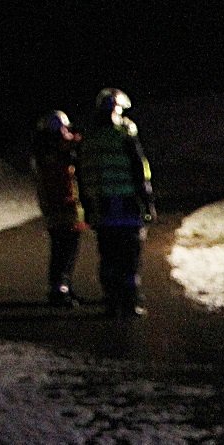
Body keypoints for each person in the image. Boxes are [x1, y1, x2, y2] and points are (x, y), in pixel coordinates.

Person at [77, 88, 156, 317]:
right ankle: (130, 303)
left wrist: (88, 207)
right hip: (127, 203)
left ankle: (111, 302)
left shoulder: (89, 139)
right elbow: (139, 171)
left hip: (101, 206)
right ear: (117, 110)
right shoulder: (124, 135)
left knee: (109, 256)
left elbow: (82, 176)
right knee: (129, 257)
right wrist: (148, 203)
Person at [31, 110, 87, 308]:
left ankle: (63, 286)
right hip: (63, 206)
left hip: (58, 207)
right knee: (64, 251)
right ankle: (59, 289)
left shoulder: (45, 153)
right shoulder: (58, 154)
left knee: (63, 250)